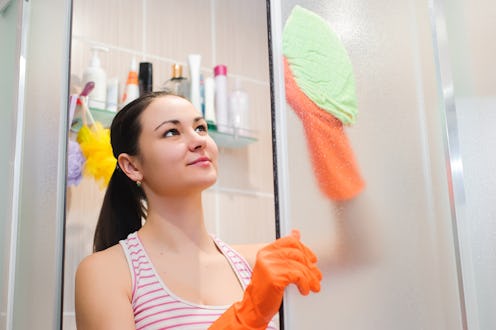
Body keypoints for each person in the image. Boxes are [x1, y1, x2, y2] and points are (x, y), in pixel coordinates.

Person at [75, 91, 322, 329]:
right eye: (171, 132)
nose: (198, 140)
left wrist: (322, 124)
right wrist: (250, 313)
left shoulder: (257, 263)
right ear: (131, 166)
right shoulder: (106, 273)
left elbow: (355, 256)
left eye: (200, 128)